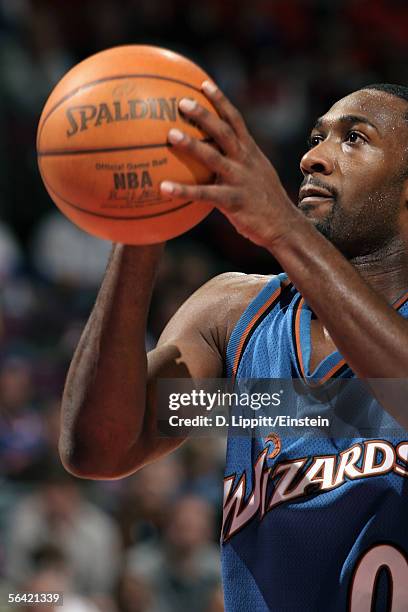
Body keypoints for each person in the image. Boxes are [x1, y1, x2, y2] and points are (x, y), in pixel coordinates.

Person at [59, 81, 408, 611]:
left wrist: (284, 230)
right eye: (315, 137)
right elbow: (100, 446)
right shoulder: (233, 316)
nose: (313, 158)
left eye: (354, 138)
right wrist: (139, 227)